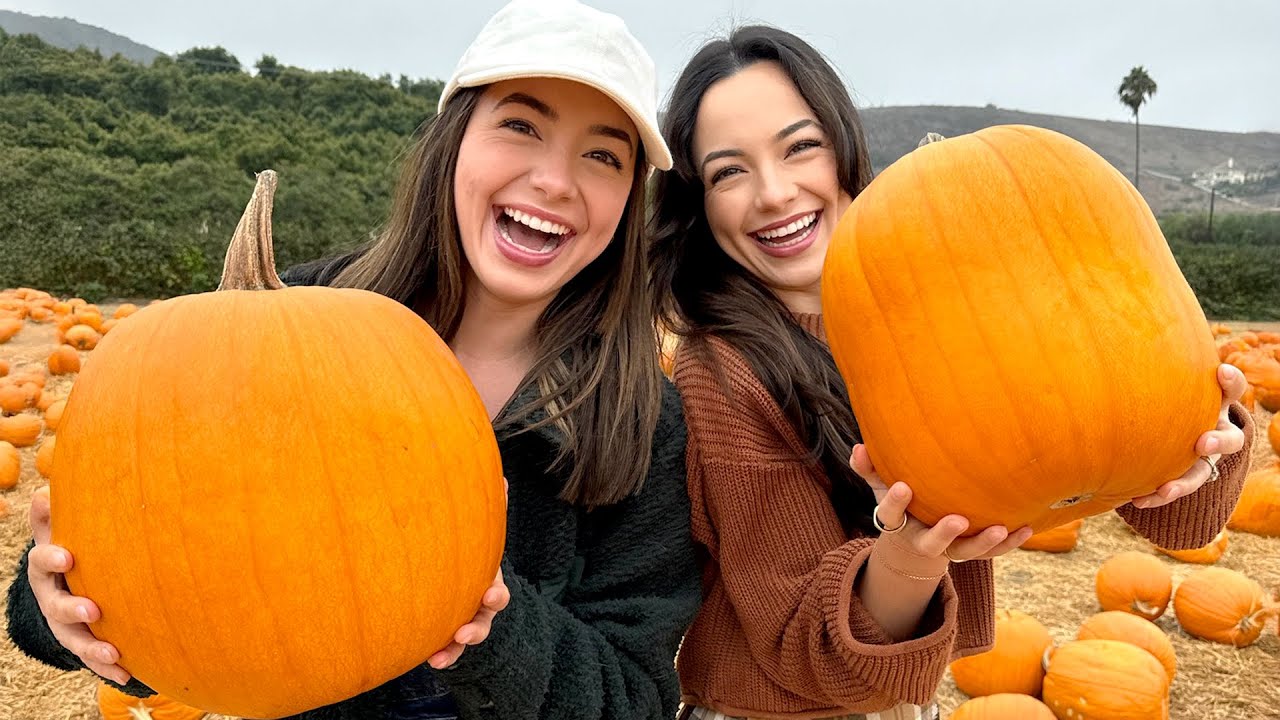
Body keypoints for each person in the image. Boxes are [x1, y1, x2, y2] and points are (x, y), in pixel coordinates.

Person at [5, 2, 701, 719]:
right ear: (454, 142)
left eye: (603, 156)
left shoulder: (644, 424)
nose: (554, 180)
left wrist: (484, 613)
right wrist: (57, 606)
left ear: (629, 200)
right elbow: (159, 566)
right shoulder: (266, 331)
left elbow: (634, 700)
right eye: (521, 126)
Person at [649, 24, 1255, 720]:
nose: (774, 192)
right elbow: (807, 656)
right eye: (729, 171)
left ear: (843, 147)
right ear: (699, 202)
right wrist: (910, 558)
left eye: (800, 147)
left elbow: (1160, 508)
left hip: (907, 702)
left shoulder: (946, 302)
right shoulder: (722, 370)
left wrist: (1198, 439)